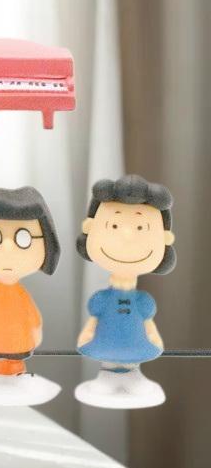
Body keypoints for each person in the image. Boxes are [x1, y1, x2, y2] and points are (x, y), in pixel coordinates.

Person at [75, 174, 176, 408]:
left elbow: (148, 324)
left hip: (136, 354)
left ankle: (132, 375)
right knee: (107, 368)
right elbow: (93, 320)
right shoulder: (102, 300)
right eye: (114, 225)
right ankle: (107, 375)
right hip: (104, 352)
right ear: (90, 228)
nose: (127, 235)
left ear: (164, 240)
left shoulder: (142, 301)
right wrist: (87, 334)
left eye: (141, 227)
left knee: (133, 362)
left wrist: (155, 339)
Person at [0, 186, 61, 405]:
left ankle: (16, 376)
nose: (7, 248)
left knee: (15, 361)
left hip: (19, 341)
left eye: (23, 238)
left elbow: (33, 318)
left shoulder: (21, 295)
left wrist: (35, 332)